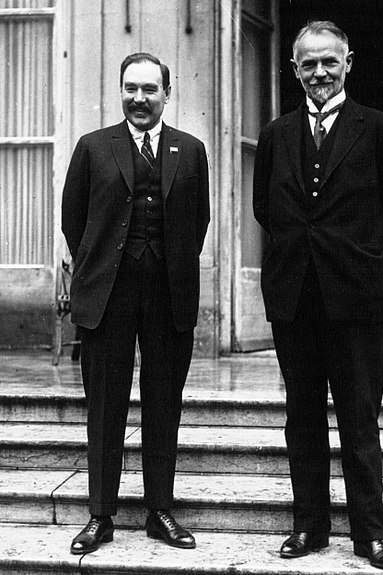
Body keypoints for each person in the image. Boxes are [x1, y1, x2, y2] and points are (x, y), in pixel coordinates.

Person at [253, 21, 383, 571]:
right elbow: (265, 210)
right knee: (301, 414)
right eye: (308, 64)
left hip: (355, 299)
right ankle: (309, 526)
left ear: (349, 62)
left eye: (329, 61)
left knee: (358, 416)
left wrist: (359, 268)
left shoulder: (381, 129)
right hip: (294, 297)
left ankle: (371, 534)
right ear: (294, 69)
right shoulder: (276, 134)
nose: (319, 72)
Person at [62, 52, 210, 554]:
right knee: (104, 406)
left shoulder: (190, 151)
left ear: (167, 93)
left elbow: (199, 222)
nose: (139, 98)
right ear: (120, 91)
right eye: (130, 88)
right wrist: (104, 268)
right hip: (108, 296)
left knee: (164, 404)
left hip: (169, 296)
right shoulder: (92, 147)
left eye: (149, 89)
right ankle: (100, 516)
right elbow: (73, 222)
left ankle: (159, 511)